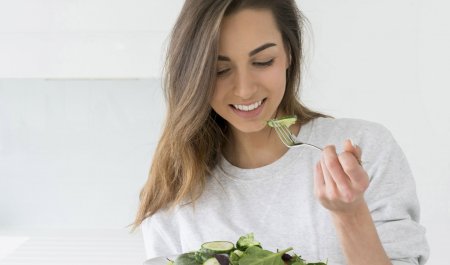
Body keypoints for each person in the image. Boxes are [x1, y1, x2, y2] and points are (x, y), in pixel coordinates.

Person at [133, 0, 429, 264]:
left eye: (263, 62)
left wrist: (350, 215)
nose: (245, 89)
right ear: (194, 74)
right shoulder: (178, 182)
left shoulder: (367, 148)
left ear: (288, 53)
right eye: (220, 70)